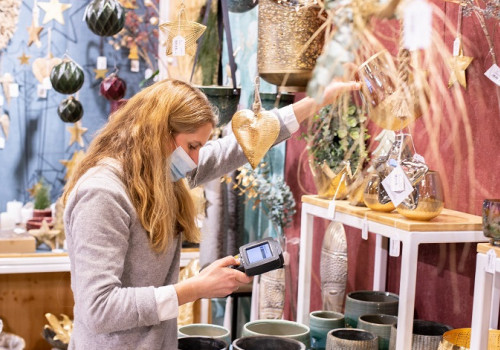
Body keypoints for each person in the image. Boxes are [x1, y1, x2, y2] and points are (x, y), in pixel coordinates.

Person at [61, 78, 360, 349]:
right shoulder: (102, 194)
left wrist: (317, 100)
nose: (194, 162)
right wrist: (194, 289)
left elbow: (238, 146)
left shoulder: (158, 175)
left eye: (199, 148)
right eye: (191, 146)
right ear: (156, 132)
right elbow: (98, 308)